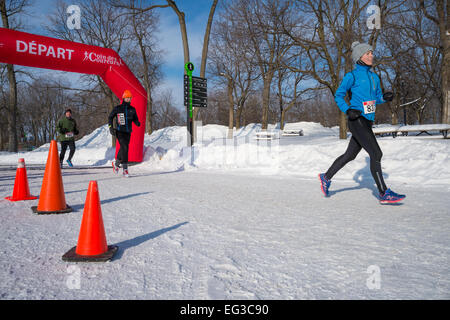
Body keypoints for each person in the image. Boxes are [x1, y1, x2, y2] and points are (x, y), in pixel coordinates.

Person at [319, 41, 405, 204]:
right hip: (356, 119)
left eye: (372, 53)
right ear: (359, 57)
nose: (372, 55)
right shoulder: (351, 76)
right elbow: (339, 95)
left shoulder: (374, 77)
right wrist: (347, 109)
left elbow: (375, 98)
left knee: (350, 155)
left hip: (367, 121)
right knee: (376, 153)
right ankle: (384, 193)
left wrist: (383, 98)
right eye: (368, 53)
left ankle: (326, 176)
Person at [108, 89, 140, 177]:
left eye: (130, 98)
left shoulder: (132, 109)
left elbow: (135, 118)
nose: (128, 100)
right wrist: (111, 127)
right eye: (127, 98)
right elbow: (110, 117)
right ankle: (125, 170)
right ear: (123, 98)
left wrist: (137, 122)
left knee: (123, 148)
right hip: (119, 131)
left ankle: (116, 164)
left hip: (128, 132)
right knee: (125, 147)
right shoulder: (118, 108)